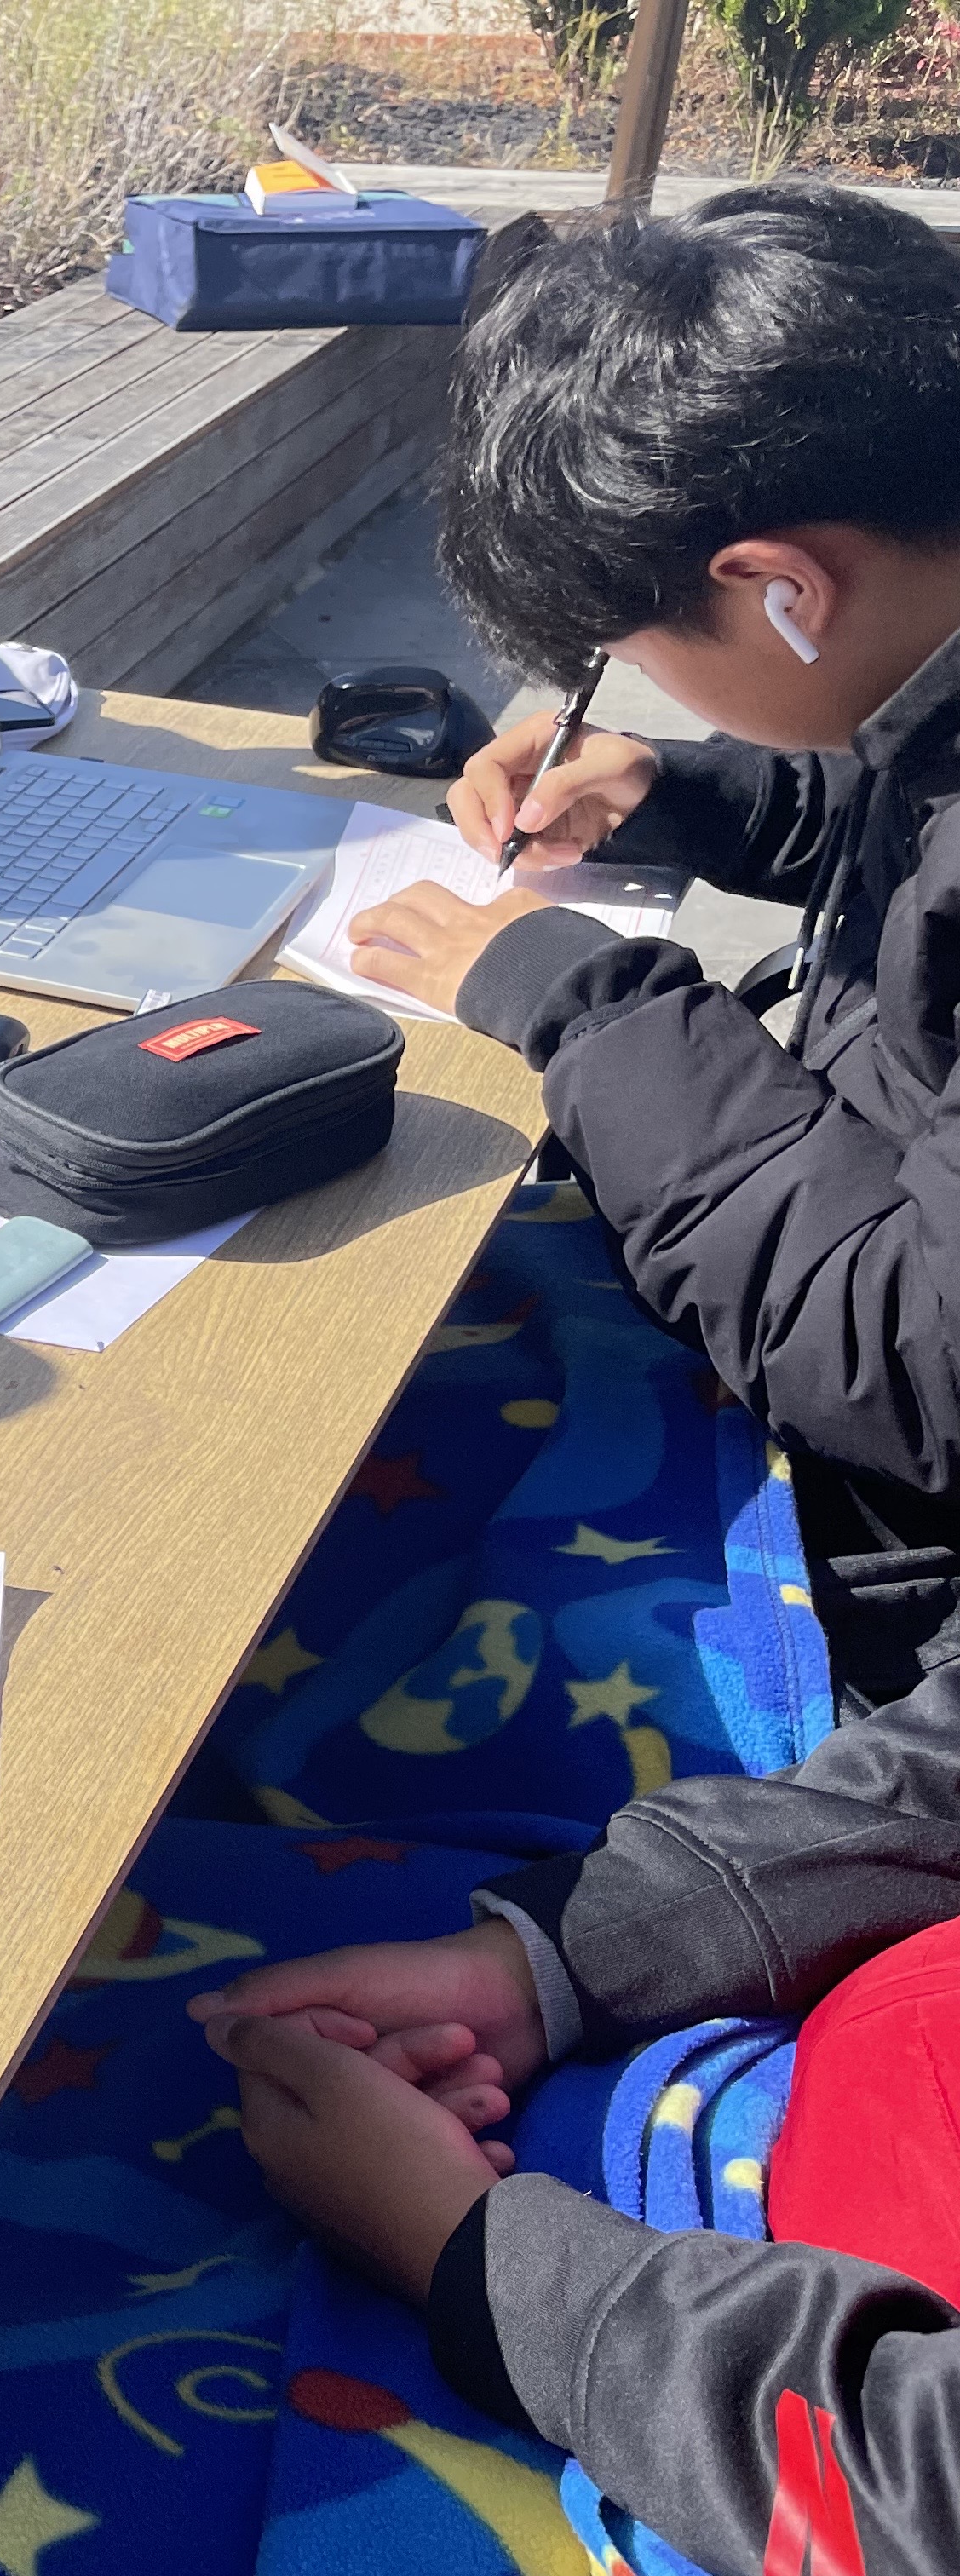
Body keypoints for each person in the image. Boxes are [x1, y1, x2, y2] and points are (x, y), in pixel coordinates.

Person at [338, 184, 960, 1700]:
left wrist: (585, 1003)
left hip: (878, 1545)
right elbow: (911, 825)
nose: (628, 689)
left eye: (631, 658)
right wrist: (683, 793)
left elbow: (908, 1362)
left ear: (782, 588)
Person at [193, 1655, 960, 2571]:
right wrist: (554, 1959)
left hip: (673, 2386)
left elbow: (914, 2504)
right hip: (731, 2010)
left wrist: (479, 2264)